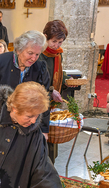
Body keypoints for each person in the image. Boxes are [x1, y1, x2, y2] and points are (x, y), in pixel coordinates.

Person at [0, 30, 51, 136]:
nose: (33, 58)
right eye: (30, 53)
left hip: (26, 127)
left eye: (37, 54)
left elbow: (44, 100)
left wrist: (44, 130)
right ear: (19, 50)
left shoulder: (40, 68)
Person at [39, 20, 69, 163]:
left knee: (52, 145)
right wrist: (51, 90)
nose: (57, 45)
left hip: (52, 104)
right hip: (39, 104)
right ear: (45, 36)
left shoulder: (57, 54)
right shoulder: (39, 54)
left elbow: (58, 74)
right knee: (41, 145)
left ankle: (50, 172)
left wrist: (66, 81)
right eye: (54, 41)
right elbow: (36, 81)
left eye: (60, 42)